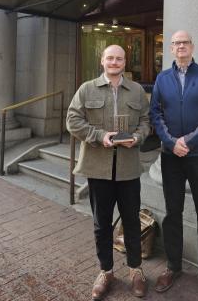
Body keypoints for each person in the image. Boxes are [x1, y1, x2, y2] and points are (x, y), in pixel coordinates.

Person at [66, 45, 150, 300]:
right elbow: (73, 120)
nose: (114, 62)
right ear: (102, 61)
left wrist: (137, 137)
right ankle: (106, 271)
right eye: (110, 58)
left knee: (132, 222)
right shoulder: (87, 88)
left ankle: (136, 270)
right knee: (101, 224)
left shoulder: (136, 91)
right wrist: (99, 136)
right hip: (98, 167)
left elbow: (146, 122)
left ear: (125, 63)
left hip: (128, 169)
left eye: (119, 58)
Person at [150, 30, 198, 301]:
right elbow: (155, 114)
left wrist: (189, 141)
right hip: (171, 157)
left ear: (192, 47)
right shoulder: (162, 79)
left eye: (185, 42)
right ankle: (173, 266)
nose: (181, 46)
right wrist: (172, 143)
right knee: (173, 212)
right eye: (176, 43)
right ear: (171, 49)